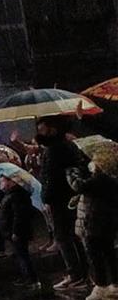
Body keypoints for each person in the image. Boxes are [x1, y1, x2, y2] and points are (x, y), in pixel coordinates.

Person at [35, 115, 89, 290]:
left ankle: (75, 274)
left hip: (59, 199)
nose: (39, 134)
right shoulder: (68, 146)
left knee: (64, 237)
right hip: (70, 195)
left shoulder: (54, 150)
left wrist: (47, 198)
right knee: (74, 236)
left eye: (42, 130)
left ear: (52, 130)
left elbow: (50, 177)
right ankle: (84, 273)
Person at [67, 155, 118, 300]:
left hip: (94, 223)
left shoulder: (100, 180)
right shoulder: (111, 180)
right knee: (109, 254)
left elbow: (78, 186)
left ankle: (101, 286)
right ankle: (114, 284)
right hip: (106, 223)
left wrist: (71, 172)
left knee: (94, 256)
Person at [0, 174, 38, 287]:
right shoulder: (9, 195)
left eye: (3, 181)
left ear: (11, 182)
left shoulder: (16, 195)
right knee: (19, 254)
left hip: (17, 232)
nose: (1, 183)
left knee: (22, 255)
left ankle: (30, 277)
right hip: (10, 231)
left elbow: (19, 215)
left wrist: (16, 231)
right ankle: (25, 276)